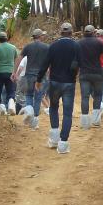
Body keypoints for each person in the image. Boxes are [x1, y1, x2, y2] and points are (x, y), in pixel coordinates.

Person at [36, 22, 81, 154]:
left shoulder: (53, 46)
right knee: (67, 113)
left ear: (60, 32)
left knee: (54, 108)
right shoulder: (76, 46)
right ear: (71, 32)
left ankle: (54, 138)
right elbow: (80, 64)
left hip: (54, 82)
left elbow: (45, 64)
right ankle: (63, 144)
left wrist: (39, 80)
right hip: (69, 83)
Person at [14, 28, 49, 129]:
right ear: (40, 36)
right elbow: (50, 61)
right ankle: (35, 122)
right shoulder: (46, 47)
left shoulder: (28, 47)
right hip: (41, 76)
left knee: (29, 95)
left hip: (29, 75)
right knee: (38, 97)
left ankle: (29, 112)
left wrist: (14, 72)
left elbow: (19, 58)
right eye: (43, 35)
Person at [78, 25, 103, 129]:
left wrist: (74, 73)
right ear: (93, 32)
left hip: (84, 73)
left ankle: (85, 122)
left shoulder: (79, 43)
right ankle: (95, 120)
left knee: (85, 97)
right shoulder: (99, 43)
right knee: (98, 96)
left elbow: (75, 60)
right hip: (97, 73)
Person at [0, 31, 19, 114]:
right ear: (6, 39)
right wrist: (14, 71)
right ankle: (11, 105)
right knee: (11, 90)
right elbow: (16, 60)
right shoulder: (13, 47)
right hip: (10, 72)